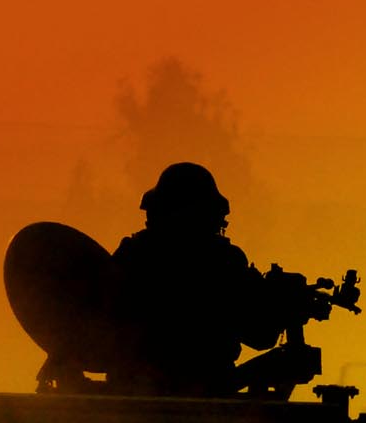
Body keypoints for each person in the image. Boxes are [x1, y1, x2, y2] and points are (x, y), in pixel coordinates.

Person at [109, 162, 279, 395]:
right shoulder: (223, 261)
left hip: (128, 393)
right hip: (208, 394)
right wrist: (276, 304)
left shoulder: (131, 254)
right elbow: (261, 335)